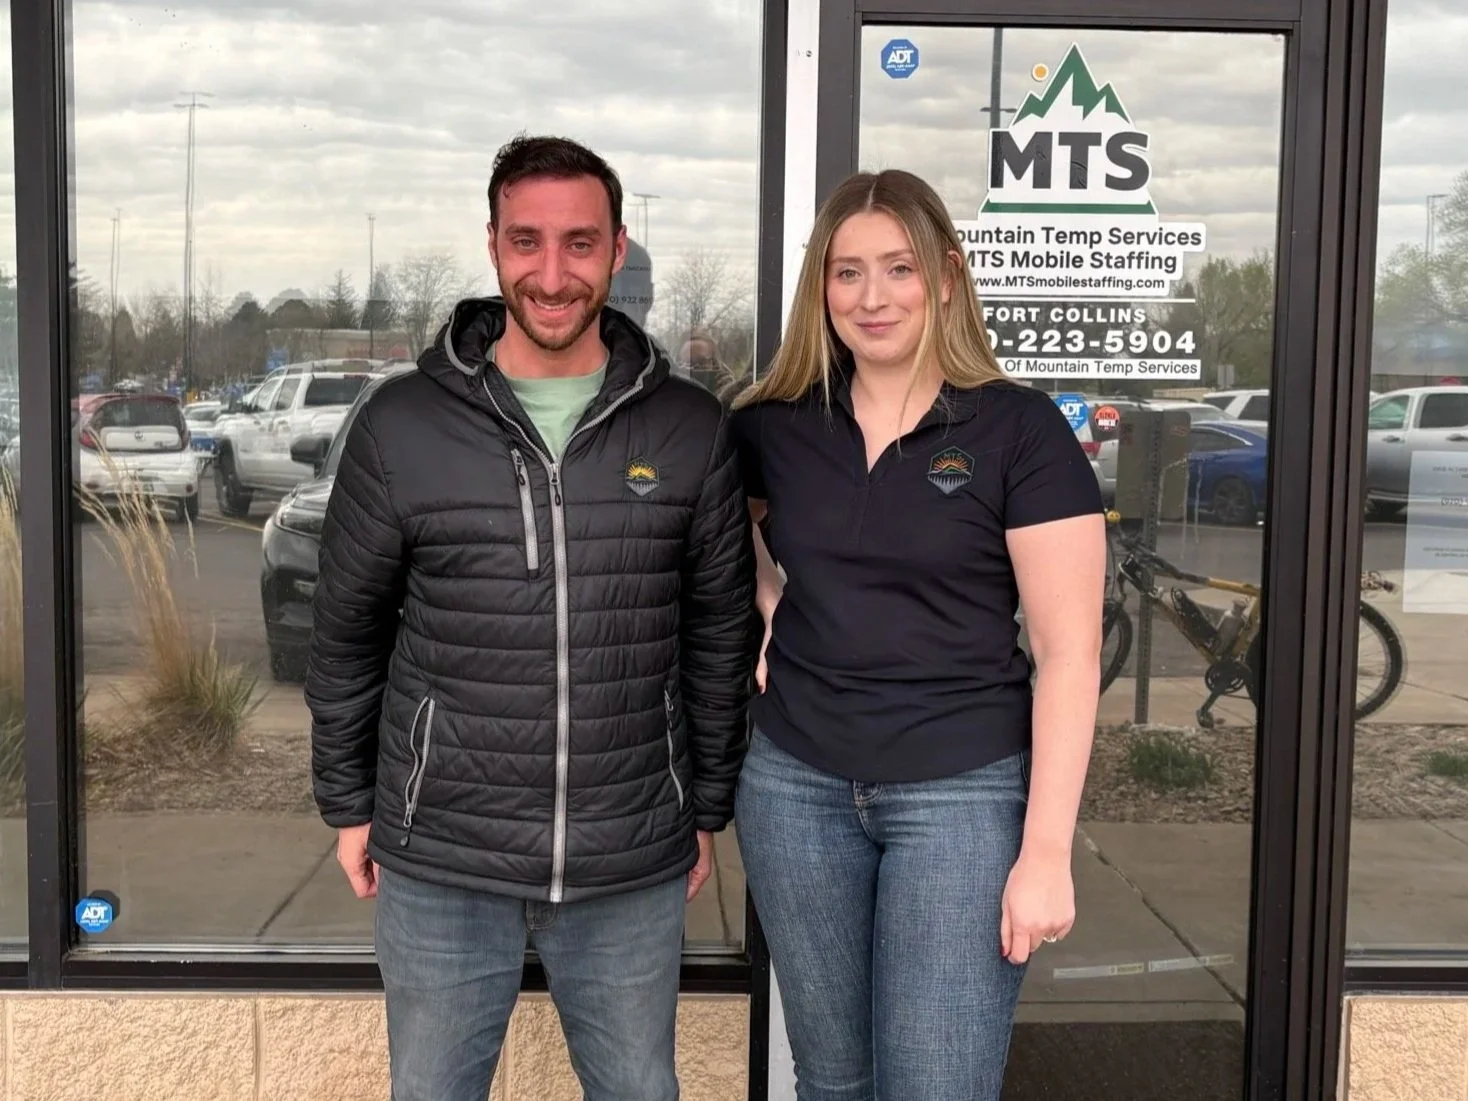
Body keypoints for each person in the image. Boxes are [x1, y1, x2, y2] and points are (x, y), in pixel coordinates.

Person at [305, 134, 756, 1101]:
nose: (553, 274)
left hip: (629, 850)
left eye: (580, 244)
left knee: (640, 1089)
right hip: (441, 852)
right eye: (528, 242)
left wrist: (704, 805)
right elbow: (347, 632)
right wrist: (348, 803)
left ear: (618, 250)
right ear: (494, 245)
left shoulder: (687, 427)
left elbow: (719, 635)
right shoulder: (401, 425)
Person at [729, 169, 1106, 1101]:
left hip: (961, 799)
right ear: (822, 285)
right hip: (794, 787)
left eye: (897, 268)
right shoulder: (774, 422)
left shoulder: (1018, 430)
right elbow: (705, 523)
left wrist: (1046, 852)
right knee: (832, 1080)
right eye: (847, 271)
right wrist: (772, 599)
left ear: (945, 276)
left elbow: (1068, 656)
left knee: (935, 1085)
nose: (872, 296)